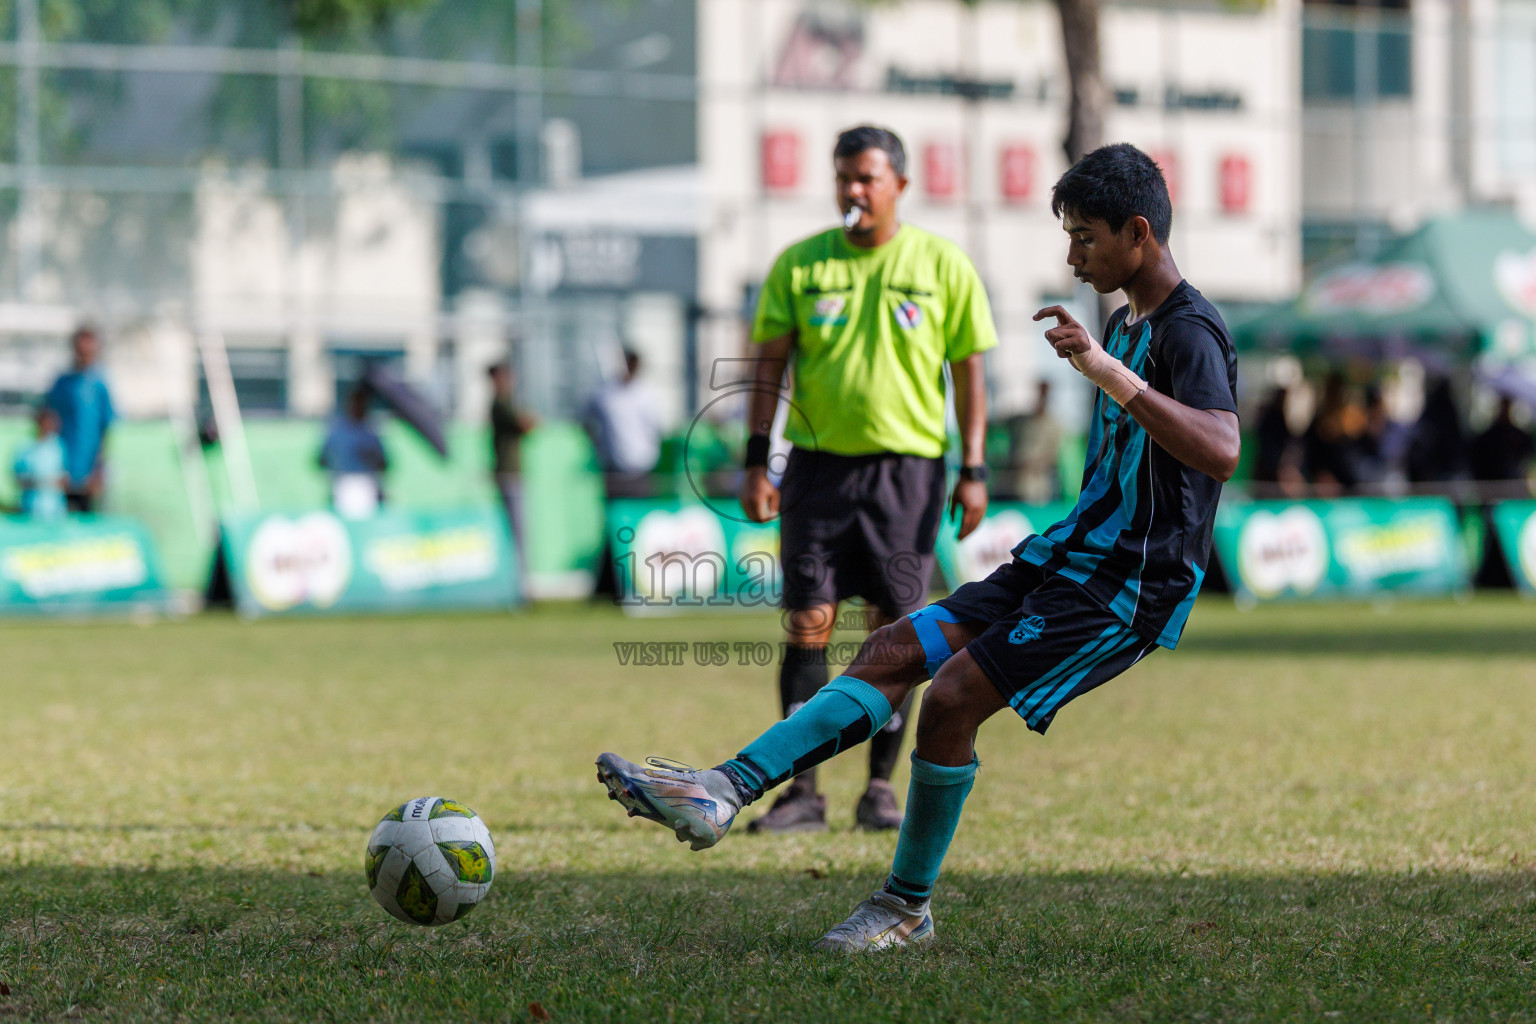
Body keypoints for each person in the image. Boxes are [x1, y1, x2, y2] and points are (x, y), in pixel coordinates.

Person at [594, 142, 1239, 950]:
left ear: (1137, 233)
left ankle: (904, 907)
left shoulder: (1191, 331)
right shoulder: (1120, 322)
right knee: (896, 645)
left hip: (1127, 585)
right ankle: (723, 789)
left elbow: (1220, 449)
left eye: (1085, 238)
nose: (1072, 254)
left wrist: (1109, 375)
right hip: (1070, 554)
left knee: (954, 695)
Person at [733, 125, 996, 833]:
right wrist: (757, 458)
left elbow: (970, 374)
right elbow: (766, 368)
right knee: (808, 624)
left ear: (899, 187)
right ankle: (801, 794)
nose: (853, 190)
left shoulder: (943, 265)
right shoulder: (800, 265)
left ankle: (880, 788)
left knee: (894, 633)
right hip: (816, 472)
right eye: (843, 176)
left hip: (907, 475)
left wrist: (972, 468)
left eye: (867, 178)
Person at [46, 325, 115, 513]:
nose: (84, 355)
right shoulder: (61, 383)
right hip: (61, 472)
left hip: (89, 475)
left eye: (89, 351)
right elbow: (48, 422)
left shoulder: (100, 385)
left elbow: (106, 429)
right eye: (81, 350)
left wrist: (98, 471)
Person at [585, 349, 662, 500]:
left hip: (641, 472)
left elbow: (654, 430)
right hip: (612, 471)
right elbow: (587, 421)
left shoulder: (646, 395)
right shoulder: (604, 394)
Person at [489, 361, 538, 585]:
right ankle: (518, 584)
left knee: (517, 531)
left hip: (511, 474)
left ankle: (518, 582)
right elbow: (526, 424)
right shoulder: (500, 404)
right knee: (515, 532)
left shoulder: (505, 403)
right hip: (508, 474)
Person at [319, 385, 388, 518]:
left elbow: (384, 464)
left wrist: (369, 458)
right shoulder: (336, 431)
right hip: (342, 485)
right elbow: (320, 460)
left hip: (367, 485)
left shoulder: (371, 432)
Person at [1004, 380, 1063, 504]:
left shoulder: (1053, 425)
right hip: (1016, 483)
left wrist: (1032, 462)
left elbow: (1052, 455)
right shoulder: (1022, 421)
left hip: (1039, 484)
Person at [13, 405, 67, 521]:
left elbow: (64, 477)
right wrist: (40, 482)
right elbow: (17, 478)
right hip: (31, 509)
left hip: (54, 510)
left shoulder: (57, 446)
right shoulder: (26, 447)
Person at [1469, 396, 1534, 484]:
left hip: (1514, 486)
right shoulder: (1490, 436)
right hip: (1492, 483)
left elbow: (1527, 459)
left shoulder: (1518, 435)